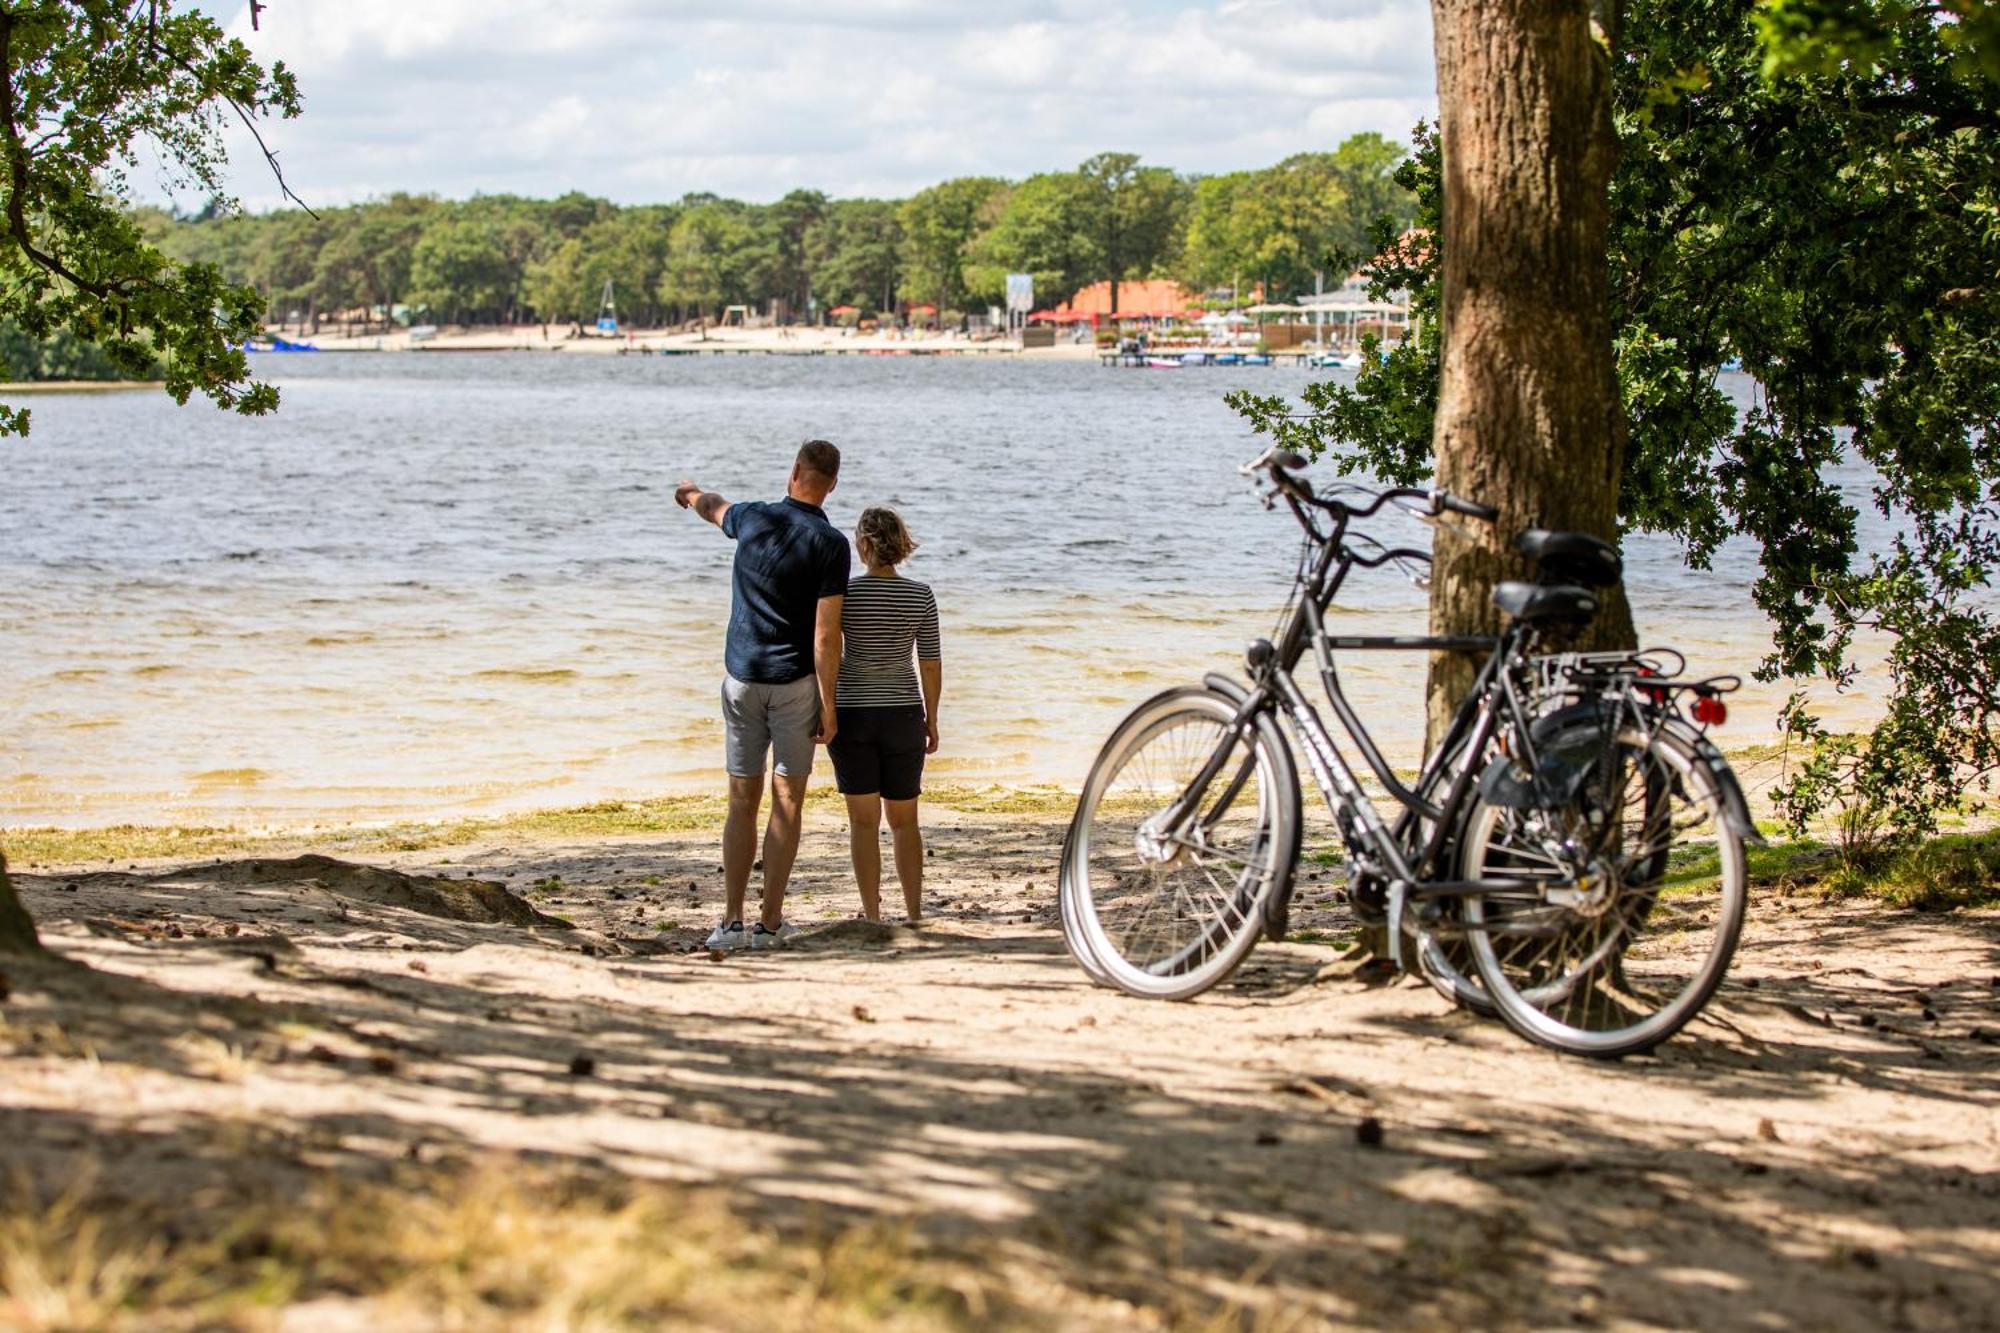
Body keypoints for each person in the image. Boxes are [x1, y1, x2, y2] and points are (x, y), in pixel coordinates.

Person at [675, 441, 849, 950]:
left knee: (740, 801)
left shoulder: (752, 519)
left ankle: (729, 922)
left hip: (741, 682)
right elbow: (825, 636)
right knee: (787, 802)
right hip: (795, 687)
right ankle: (769, 922)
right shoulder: (832, 544)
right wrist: (830, 705)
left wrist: (688, 493)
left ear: (795, 471)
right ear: (832, 484)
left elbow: (713, 507)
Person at [827, 507, 941, 923]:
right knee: (905, 821)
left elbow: (829, 652)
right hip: (903, 715)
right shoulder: (920, 595)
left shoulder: (846, 594)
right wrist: (932, 718)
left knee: (863, 822)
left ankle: (873, 917)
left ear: (865, 544)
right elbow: (929, 662)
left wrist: (824, 707)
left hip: (853, 713)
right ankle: (914, 914)